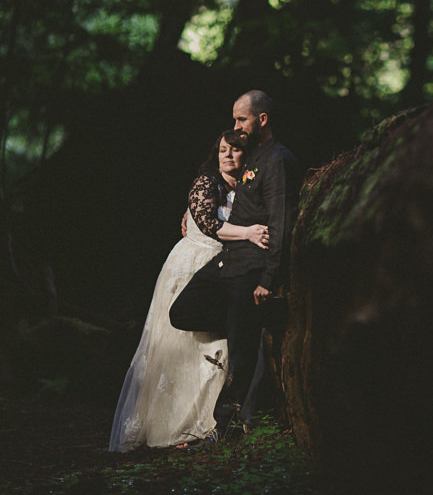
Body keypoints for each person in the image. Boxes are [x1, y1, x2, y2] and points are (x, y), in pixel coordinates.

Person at [109, 131, 270, 452]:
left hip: (226, 266)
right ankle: (173, 423)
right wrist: (248, 233)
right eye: (222, 150)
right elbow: (208, 222)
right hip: (192, 265)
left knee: (221, 345)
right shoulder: (206, 182)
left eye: (235, 150)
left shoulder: (247, 188)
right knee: (181, 346)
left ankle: (213, 420)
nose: (228, 155)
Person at [170, 90, 301, 430]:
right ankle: (252, 320)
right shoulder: (252, 156)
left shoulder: (277, 160)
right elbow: (222, 186)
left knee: (241, 356)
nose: (236, 126)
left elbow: (280, 222)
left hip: (251, 270)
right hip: (227, 264)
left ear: (262, 119)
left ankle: (226, 427)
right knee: (180, 312)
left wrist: (269, 280)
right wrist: (193, 213)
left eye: (242, 119)